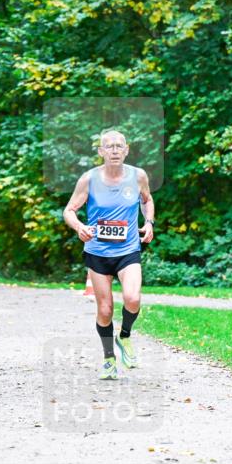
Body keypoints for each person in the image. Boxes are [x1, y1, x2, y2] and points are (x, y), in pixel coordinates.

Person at [63, 129, 154, 380]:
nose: (114, 150)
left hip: (127, 250)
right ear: (101, 152)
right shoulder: (89, 179)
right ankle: (108, 359)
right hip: (98, 252)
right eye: (109, 146)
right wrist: (80, 227)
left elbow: (147, 200)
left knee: (132, 298)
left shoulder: (138, 176)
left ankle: (124, 337)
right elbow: (69, 210)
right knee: (105, 310)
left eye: (119, 146)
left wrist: (149, 223)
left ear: (126, 150)